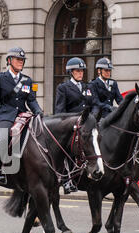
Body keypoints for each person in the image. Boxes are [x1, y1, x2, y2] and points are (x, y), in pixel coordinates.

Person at [0, 47, 43, 184]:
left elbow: (31, 100)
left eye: (22, 60)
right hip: (5, 115)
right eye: (18, 59)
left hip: (23, 115)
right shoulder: (0, 78)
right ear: (9, 60)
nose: (21, 62)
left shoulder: (27, 81)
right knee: (4, 138)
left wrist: (38, 112)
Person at [54, 57, 92, 194]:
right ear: (71, 72)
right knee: (67, 151)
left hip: (86, 124)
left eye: (82, 71)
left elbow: (91, 106)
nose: (80, 73)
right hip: (71, 125)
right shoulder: (63, 88)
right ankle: (67, 180)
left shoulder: (87, 87)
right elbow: (59, 110)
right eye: (77, 71)